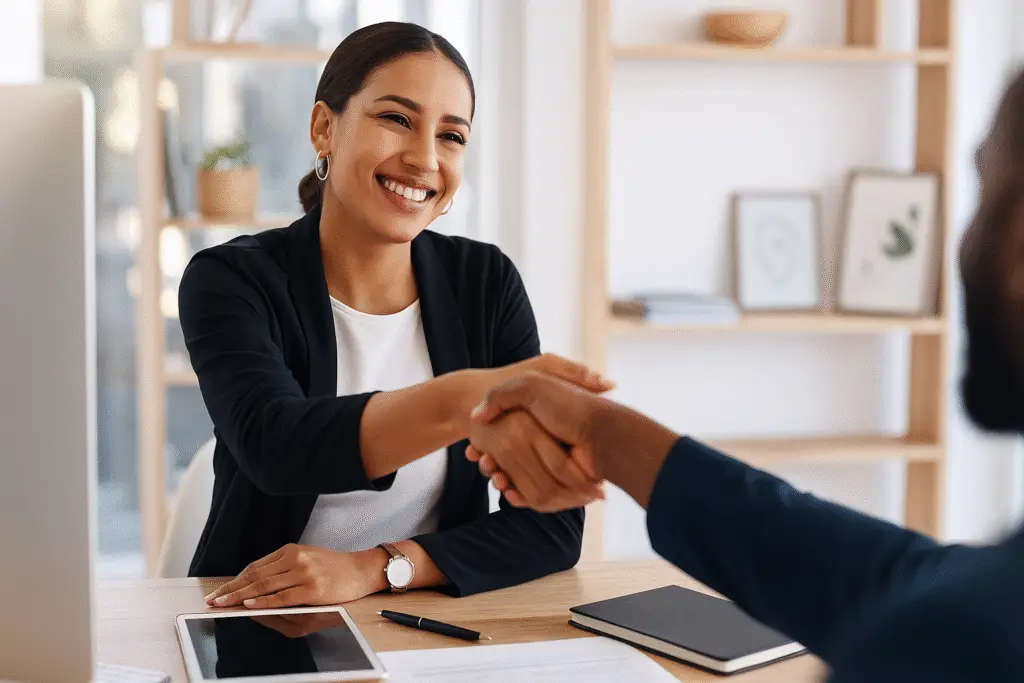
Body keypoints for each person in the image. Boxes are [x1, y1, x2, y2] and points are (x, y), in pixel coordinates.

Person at [465, 71, 1024, 681]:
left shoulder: (962, 637)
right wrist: (607, 435)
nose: (966, 240)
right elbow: (891, 575)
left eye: (985, 189)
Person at [180, 21, 612, 610]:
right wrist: (469, 399)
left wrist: (376, 568)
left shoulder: (484, 283)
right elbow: (275, 447)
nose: (425, 159)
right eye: (397, 119)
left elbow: (553, 527)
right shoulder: (230, 280)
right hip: (259, 618)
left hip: (426, 618)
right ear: (324, 128)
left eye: (452, 135)